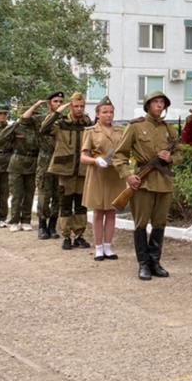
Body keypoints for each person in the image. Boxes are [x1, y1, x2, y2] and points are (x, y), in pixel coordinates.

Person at [112, 91, 180, 281]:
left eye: (162, 103)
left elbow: (181, 153)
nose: (159, 105)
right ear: (148, 105)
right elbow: (119, 155)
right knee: (141, 224)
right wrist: (128, 175)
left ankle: (155, 262)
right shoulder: (135, 127)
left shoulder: (169, 129)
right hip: (143, 182)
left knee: (160, 223)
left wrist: (171, 158)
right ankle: (143, 264)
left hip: (164, 182)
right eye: (156, 102)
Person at [41, 91, 94, 251]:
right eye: (76, 106)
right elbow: (44, 129)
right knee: (65, 204)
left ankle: (79, 235)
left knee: (81, 205)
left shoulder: (87, 124)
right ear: (70, 106)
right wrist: (57, 112)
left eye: (82, 106)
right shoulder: (61, 123)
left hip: (83, 170)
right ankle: (66, 236)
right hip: (65, 170)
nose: (79, 109)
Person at [81, 97, 124, 261]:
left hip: (114, 174)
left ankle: (108, 245)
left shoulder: (120, 131)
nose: (109, 115)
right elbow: (83, 157)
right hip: (98, 174)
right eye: (105, 112)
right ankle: (98, 247)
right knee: (98, 212)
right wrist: (95, 161)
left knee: (112, 211)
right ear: (98, 114)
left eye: (111, 112)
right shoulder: (91, 131)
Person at [23, 91, 65, 239]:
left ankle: (52, 226)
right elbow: (24, 119)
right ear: (49, 104)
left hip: (59, 161)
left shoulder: (64, 121)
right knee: (43, 195)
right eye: (55, 101)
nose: (59, 104)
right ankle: (42, 225)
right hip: (45, 161)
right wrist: (35, 105)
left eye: (60, 102)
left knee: (57, 195)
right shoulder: (41, 118)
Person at [0, 102, 40, 232]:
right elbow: (1, 138)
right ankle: (14, 220)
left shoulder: (38, 128)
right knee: (17, 194)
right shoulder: (16, 127)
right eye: (31, 115)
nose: (33, 118)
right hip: (17, 162)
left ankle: (26, 220)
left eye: (35, 115)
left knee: (29, 193)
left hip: (32, 161)